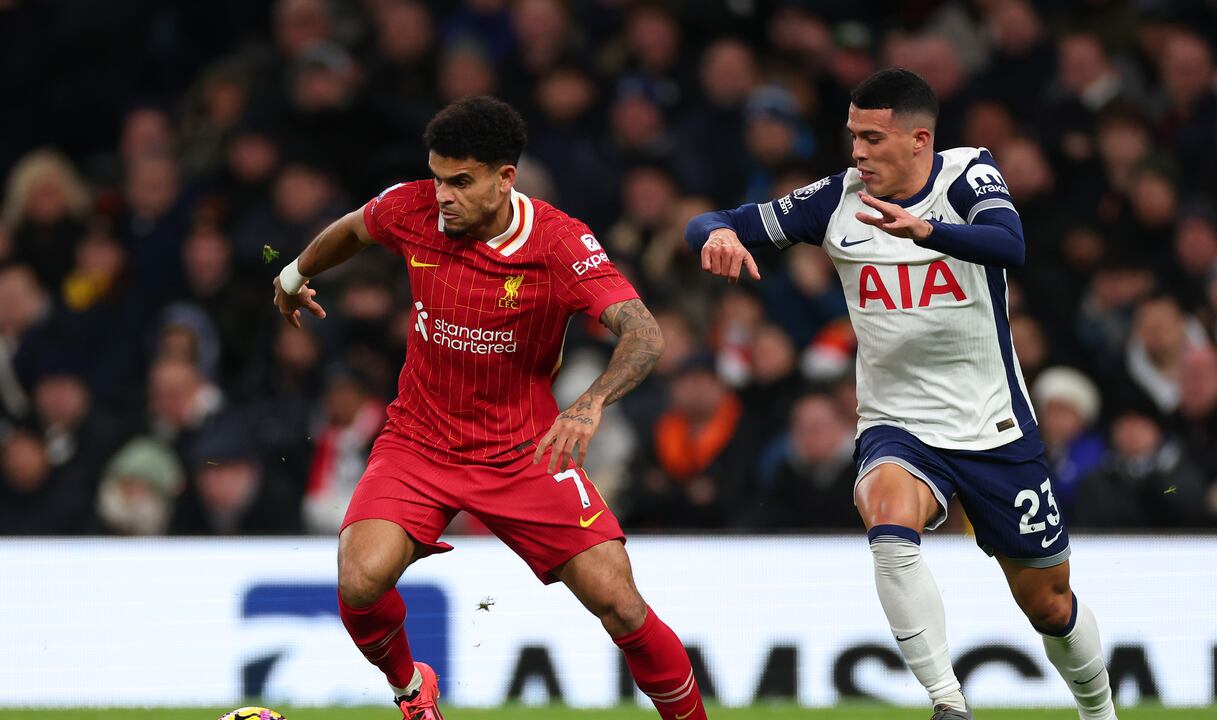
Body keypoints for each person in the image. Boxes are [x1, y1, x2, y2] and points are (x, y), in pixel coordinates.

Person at [685, 68, 1118, 720]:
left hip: (993, 426)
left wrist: (928, 231)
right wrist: (717, 234)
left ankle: (1100, 712)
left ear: (919, 140)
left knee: (1050, 604)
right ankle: (949, 704)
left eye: (872, 138)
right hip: (898, 423)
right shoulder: (836, 200)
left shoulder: (968, 175)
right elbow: (711, 221)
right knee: (887, 519)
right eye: (853, 136)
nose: (857, 152)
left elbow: (1010, 244)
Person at [272, 96, 706, 720]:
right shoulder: (413, 208)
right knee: (359, 581)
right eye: (437, 178)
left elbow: (645, 334)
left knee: (622, 606)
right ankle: (411, 689)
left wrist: (589, 403)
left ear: (506, 178)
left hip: (523, 450)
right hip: (419, 442)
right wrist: (293, 275)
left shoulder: (559, 242)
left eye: (461, 182)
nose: (443, 196)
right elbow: (354, 228)